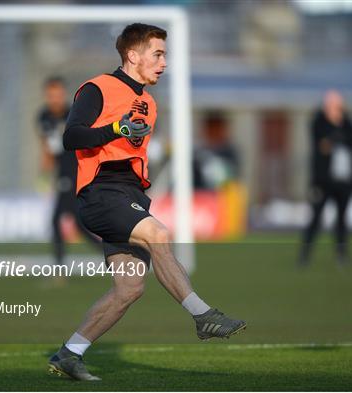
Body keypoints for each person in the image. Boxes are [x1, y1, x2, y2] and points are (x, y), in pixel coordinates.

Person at [48, 23, 246, 381]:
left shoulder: (150, 103)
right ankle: (203, 316)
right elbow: (71, 137)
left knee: (129, 289)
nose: (164, 63)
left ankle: (69, 353)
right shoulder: (98, 88)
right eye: (157, 54)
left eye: (165, 55)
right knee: (158, 235)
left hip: (129, 195)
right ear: (132, 56)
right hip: (101, 192)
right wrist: (115, 129)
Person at [36, 77, 98, 267]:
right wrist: (45, 170)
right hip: (61, 171)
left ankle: (59, 269)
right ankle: (115, 255)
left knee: (57, 220)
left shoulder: (74, 115)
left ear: (63, 95)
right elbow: (47, 145)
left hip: (76, 170)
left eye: (58, 94)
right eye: (51, 95)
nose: (54, 99)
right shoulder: (43, 117)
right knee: (78, 224)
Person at [298, 90, 352, 266]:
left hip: (344, 181)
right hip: (323, 182)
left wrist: (335, 138)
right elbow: (322, 142)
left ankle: (342, 255)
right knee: (316, 218)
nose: (335, 110)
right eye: (331, 106)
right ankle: (304, 255)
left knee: (342, 219)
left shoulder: (347, 122)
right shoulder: (319, 122)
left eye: (338, 106)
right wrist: (335, 137)